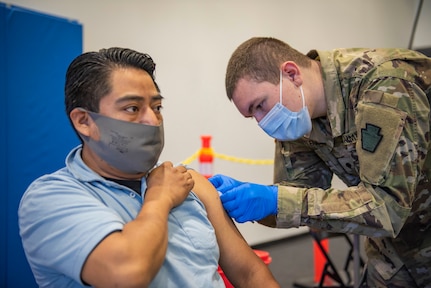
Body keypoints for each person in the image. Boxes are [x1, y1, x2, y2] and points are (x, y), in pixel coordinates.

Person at [18, 47, 280, 288]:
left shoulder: (189, 183)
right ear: (84, 121)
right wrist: (160, 198)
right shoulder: (49, 199)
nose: (152, 120)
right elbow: (128, 272)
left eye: (157, 107)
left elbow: (250, 274)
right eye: (132, 108)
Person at [209, 37, 431, 287]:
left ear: (291, 74)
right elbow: (296, 196)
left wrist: (275, 200)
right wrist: (241, 199)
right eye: (253, 116)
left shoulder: (383, 86)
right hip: (396, 251)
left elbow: (386, 207)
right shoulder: (298, 117)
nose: (263, 122)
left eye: (260, 105)